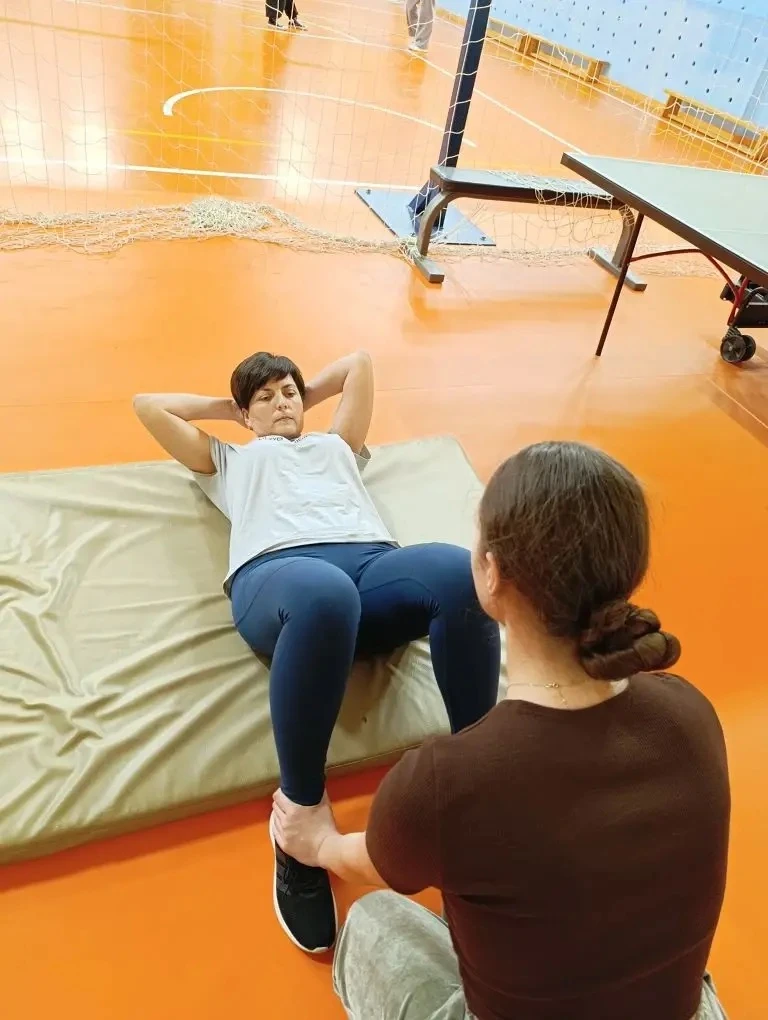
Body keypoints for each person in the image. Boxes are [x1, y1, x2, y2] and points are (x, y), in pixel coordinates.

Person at [272, 441, 731, 1020]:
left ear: (491, 573)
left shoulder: (446, 781)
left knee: (371, 920)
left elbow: (372, 862)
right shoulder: (692, 713)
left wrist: (317, 843)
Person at [133, 350, 501, 956]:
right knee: (327, 596)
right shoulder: (229, 460)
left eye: (290, 393)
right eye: (267, 397)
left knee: (461, 574)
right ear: (244, 415)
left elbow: (359, 365)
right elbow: (148, 406)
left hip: (371, 566)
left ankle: (481, 775)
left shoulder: (337, 447)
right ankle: (300, 813)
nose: (282, 402)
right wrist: (236, 408)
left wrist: (287, 397)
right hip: (278, 577)